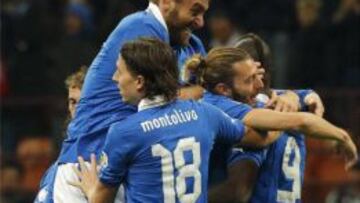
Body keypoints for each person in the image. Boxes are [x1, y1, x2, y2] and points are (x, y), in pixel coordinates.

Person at [69, 37, 357, 203]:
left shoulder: (124, 131)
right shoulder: (204, 114)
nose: (114, 78)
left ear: (141, 81)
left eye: (120, 72)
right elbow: (264, 134)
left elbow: (100, 200)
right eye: (251, 78)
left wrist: (89, 187)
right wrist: (294, 103)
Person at [39, 0, 209, 202]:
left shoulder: (189, 46)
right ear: (166, 2)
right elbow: (165, 99)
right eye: (195, 11)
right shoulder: (141, 27)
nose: (201, 22)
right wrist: (203, 90)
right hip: (88, 167)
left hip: (126, 170)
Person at [182, 46, 358, 203]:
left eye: (259, 76)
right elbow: (301, 122)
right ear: (223, 89)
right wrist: (343, 137)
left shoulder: (253, 101)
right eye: (250, 79)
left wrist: (297, 95)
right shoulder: (222, 108)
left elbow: (275, 97)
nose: (260, 85)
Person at [34, 66, 88, 203]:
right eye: (72, 102)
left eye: (82, 102)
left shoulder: (106, 150)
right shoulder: (59, 164)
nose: (76, 109)